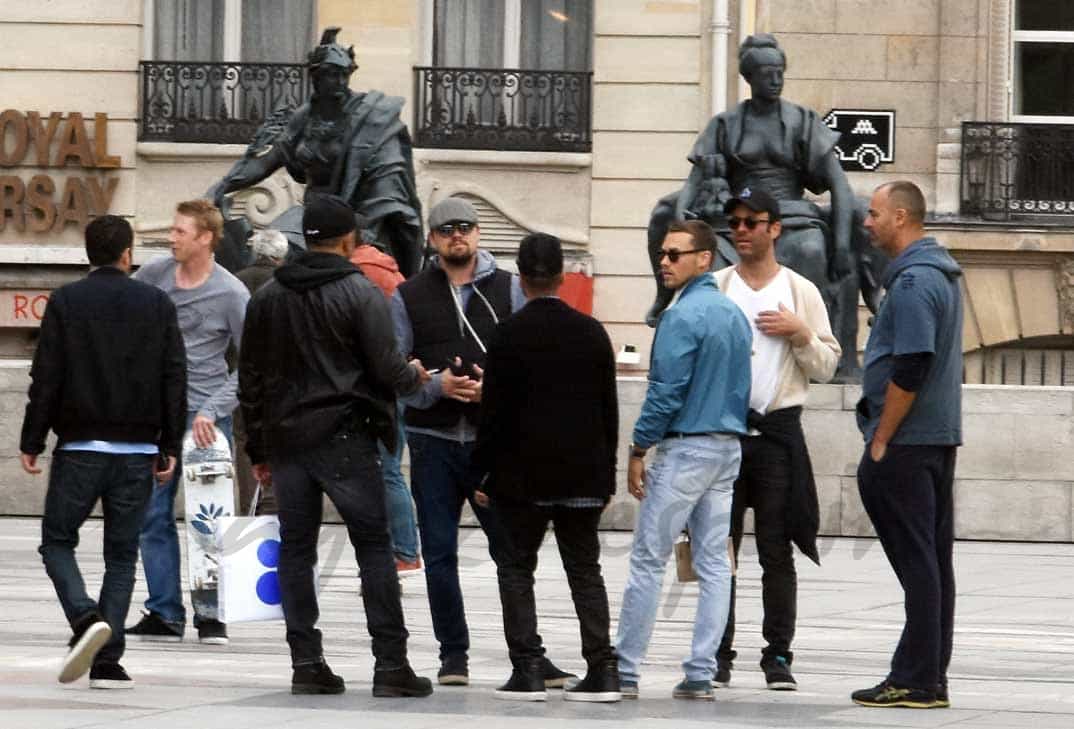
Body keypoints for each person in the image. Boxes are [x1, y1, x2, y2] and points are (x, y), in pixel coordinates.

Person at [238, 194, 432, 697]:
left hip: (285, 441)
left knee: (296, 549)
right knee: (373, 547)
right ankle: (391, 664)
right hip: (345, 436)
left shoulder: (268, 297)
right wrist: (416, 376)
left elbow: (251, 381)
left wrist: (257, 449)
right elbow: (387, 370)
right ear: (349, 240)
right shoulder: (358, 292)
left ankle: (307, 661)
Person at [391, 197, 573, 688]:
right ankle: (453, 655)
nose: (458, 235)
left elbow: (532, 359)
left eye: (466, 227)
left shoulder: (509, 288)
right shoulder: (408, 296)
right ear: (432, 238)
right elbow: (392, 371)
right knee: (440, 553)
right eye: (447, 229)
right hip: (431, 441)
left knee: (512, 553)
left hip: (493, 444)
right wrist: (436, 387)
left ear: (477, 234)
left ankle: (529, 656)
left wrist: (492, 388)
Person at [20, 215, 187, 688]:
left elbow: (46, 377)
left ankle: (83, 616)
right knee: (122, 554)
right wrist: (168, 445)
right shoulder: (157, 303)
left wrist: (32, 440)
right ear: (127, 253)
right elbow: (174, 377)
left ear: (88, 253)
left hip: (80, 448)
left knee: (57, 541)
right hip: (137, 451)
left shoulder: (67, 302)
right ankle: (109, 659)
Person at [646, 34, 859, 377]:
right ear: (749, 78)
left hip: (791, 215)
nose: (775, 80)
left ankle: (810, 349)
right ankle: (672, 309)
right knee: (687, 240)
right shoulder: (726, 124)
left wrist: (844, 244)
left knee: (811, 250)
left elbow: (839, 185)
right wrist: (680, 223)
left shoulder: (803, 119)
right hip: (737, 219)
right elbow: (694, 182)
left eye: (779, 72)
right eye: (766, 73)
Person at [473, 233, 620, 702]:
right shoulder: (592, 332)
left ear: (521, 277)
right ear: (562, 276)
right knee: (585, 569)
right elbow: (608, 411)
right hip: (583, 476)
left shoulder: (507, 335)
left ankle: (530, 667)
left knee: (516, 568)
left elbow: (493, 416)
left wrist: (482, 474)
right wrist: (607, 474)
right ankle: (602, 669)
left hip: (524, 479)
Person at [616, 220, 752, 700]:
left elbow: (666, 392)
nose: (664, 262)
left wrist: (638, 448)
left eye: (675, 254)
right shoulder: (734, 315)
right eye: (663, 254)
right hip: (727, 446)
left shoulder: (680, 317)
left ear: (704, 258)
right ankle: (700, 670)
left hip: (687, 445)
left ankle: (626, 669)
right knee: (715, 562)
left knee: (649, 559)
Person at [712, 187, 840, 689]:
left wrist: (799, 332)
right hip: (723, 434)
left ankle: (777, 655)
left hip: (777, 435)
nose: (741, 230)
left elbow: (827, 365)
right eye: (735, 222)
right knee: (718, 549)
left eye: (751, 221)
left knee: (775, 550)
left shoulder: (799, 291)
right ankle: (716, 650)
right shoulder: (716, 286)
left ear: (774, 228)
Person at [851, 181, 963, 709]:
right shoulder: (937, 274)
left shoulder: (915, 282)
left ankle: (917, 678)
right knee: (932, 564)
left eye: (874, 214)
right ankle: (926, 678)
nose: (867, 222)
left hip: (907, 443)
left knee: (920, 565)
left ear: (901, 217)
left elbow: (912, 363)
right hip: (933, 440)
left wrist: (882, 437)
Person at [126, 199, 249, 646]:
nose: (171, 238)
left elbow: (251, 363)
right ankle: (164, 611)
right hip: (157, 418)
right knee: (151, 514)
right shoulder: (154, 275)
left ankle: (212, 614)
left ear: (205, 238)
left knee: (208, 519)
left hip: (204, 423)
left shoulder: (232, 293)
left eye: (180, 231)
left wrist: (212, 409)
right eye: (173, 231)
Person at [207, 26, 423, 277]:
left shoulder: (371, 118)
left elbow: (387, 184)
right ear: (316, 77)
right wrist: (224, 185)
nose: (341, 81)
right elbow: (269, 159)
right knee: (268, 254)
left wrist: (363, 230)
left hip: (355, 221)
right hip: (310, 219)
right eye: (333, 75)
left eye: (345, 74)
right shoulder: (304, 118)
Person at [350, 232, 422, 574]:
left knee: (385, 470)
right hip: (400, 377)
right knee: (391, 466)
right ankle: (404, 550)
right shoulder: (393, 272)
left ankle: (405, 552)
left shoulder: (354, 271)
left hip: (373, 382)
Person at [233, 229, 289, 516]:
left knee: (244, 442)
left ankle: (248, 507)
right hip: (280, 382)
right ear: (281, 256)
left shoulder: (235, 281)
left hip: (242, 379)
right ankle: (274, 504)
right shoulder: (286, 286)